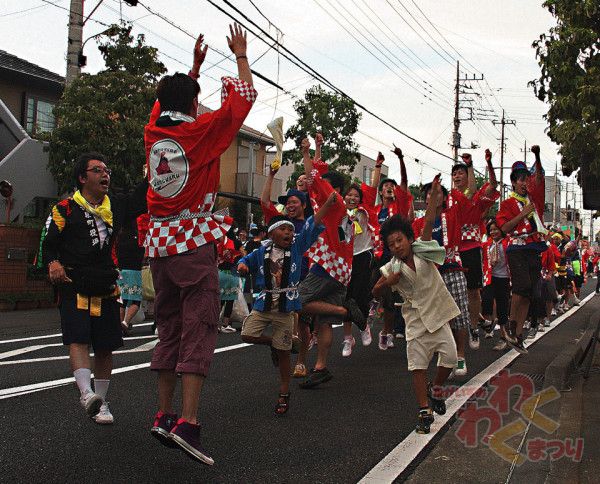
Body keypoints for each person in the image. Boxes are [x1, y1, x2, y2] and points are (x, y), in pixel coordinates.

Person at [145, 26, 256, 465]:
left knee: (169, 325)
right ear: (193, 104)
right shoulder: (202, 133)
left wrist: (193, 70)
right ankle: (188, 422)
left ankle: (164, 413)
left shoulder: (154, 130)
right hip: (191, 242)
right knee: (200, 326)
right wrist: (240, 56)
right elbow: (242, 100)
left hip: (157, 245)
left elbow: (165, 102)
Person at [373, 176, 459, 434]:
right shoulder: (391, 267)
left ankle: (436, 388)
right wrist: (388, 282)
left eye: (399, 240)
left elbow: (430, 221)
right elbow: (375, 290)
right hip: (415, 320)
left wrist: (433, 196)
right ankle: (424, 408)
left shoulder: (423, 249)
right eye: (391, 244)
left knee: (451, 358)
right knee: (418, 366)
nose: (396, 246)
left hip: (437, 315)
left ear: (408, 238)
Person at [41, 153, 122, 425]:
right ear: (82, 177)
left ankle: (101, 402)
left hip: (106, 286)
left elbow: (140, 200)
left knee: (105, 346)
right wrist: (53, 262)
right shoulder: (64, 208)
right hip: (73, 285)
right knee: (78, 337)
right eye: (97, 170)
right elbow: (48, 241)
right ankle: (86, 394)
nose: (105, 174)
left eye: (106, 169)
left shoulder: (115, 207)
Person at [237, 195, 335, 414]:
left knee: (283, 356)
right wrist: (242, 266)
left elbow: (312, 225)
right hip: (263, 304)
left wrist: (327, 204)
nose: (289, 233)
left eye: (291, 231)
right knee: (247, 334)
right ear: (272, 233)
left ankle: (283, 393)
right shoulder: (261, 251)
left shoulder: (297, 248)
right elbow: (245, 260)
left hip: (285, 308)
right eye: (284, 230)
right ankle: (275, 342)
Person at [297, 136, 366, 389]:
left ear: (331, 186)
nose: (316, 186)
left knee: (298, 300)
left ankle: (345, 310)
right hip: (342, 270)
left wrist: (306, 152)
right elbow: (317, 172)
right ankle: (321, 367)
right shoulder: (341, 210)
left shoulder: (333, 199)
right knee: (323, 320)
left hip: (327, 266)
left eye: (322, 184)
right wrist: (316, 147)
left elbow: (314, 176)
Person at [412, 177, 471, 376]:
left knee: (460, 313)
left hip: (453, 268)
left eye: (438, 193)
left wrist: (466, 171)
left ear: (445, 198)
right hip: (430, 274)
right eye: (430, 193)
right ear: (425, 198)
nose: (434, 196)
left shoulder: (453, 213)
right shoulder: (419, 223)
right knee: (437, 317)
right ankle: (446, 354)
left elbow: (468, 191)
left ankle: (461, 356)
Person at [495, 145, 545, 354]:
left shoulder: (535, 201)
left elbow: (540, 177)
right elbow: (505, 228)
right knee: (521, 286)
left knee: (530, 292)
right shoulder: (507, 204)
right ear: (513, 183)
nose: (525, 183)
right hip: (516, 248)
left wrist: (537, 155)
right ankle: (508, 326)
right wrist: (523, 214)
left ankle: (517, 333)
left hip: (534, 247)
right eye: (521, 179)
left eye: (527, 179)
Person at [363, 147, 413, 350]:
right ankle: (374, 305)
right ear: (382, 192)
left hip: (395, 256)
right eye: (386, 186)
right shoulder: (375, 211)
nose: (390, 188)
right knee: (373, 287)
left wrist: (401, 159)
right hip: (378, 254)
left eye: (392, 186)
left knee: (391, 300)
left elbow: (405, 183)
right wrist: (377, 166)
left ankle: (388, 332)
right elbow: (371, 188)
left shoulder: (399, 206)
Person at [449, 150, 499, 350]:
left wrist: (486, 163)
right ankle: (470, 324)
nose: (457, 176)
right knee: (452, 292)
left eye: (461, 173)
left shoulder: (476, 198)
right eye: (455, 174)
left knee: (472, 291)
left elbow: (493, 185)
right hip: (452, 249)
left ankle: (473, 328)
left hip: (471, 248)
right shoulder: (449, 197)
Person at [481, 220, 511, 350]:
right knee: (486, 301)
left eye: (496, 229)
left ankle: (503, 337)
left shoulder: (508, 243)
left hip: (504, 277)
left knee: (502, 307)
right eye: (491, 230)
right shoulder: (487, 244)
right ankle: (488, 324)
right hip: (490, 278)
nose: (493, 232)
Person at [116, 216, 145, 334]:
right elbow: (142, 253)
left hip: (121, 271)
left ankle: (120, 326)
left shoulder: (119, 238)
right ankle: (125, 322)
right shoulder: (137, 238)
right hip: (134, 272)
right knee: (135, 300)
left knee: (122, 301)